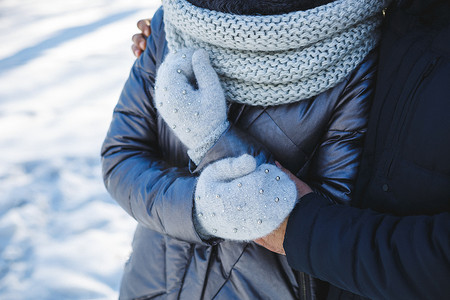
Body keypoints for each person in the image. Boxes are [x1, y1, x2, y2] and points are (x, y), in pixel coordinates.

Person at [103, 0, 388, 299]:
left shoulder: (356, 53)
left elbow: (324, 229)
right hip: (150, 281)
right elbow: (120, 155)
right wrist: (198, 211)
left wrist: (213, 139)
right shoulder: (174, 22)